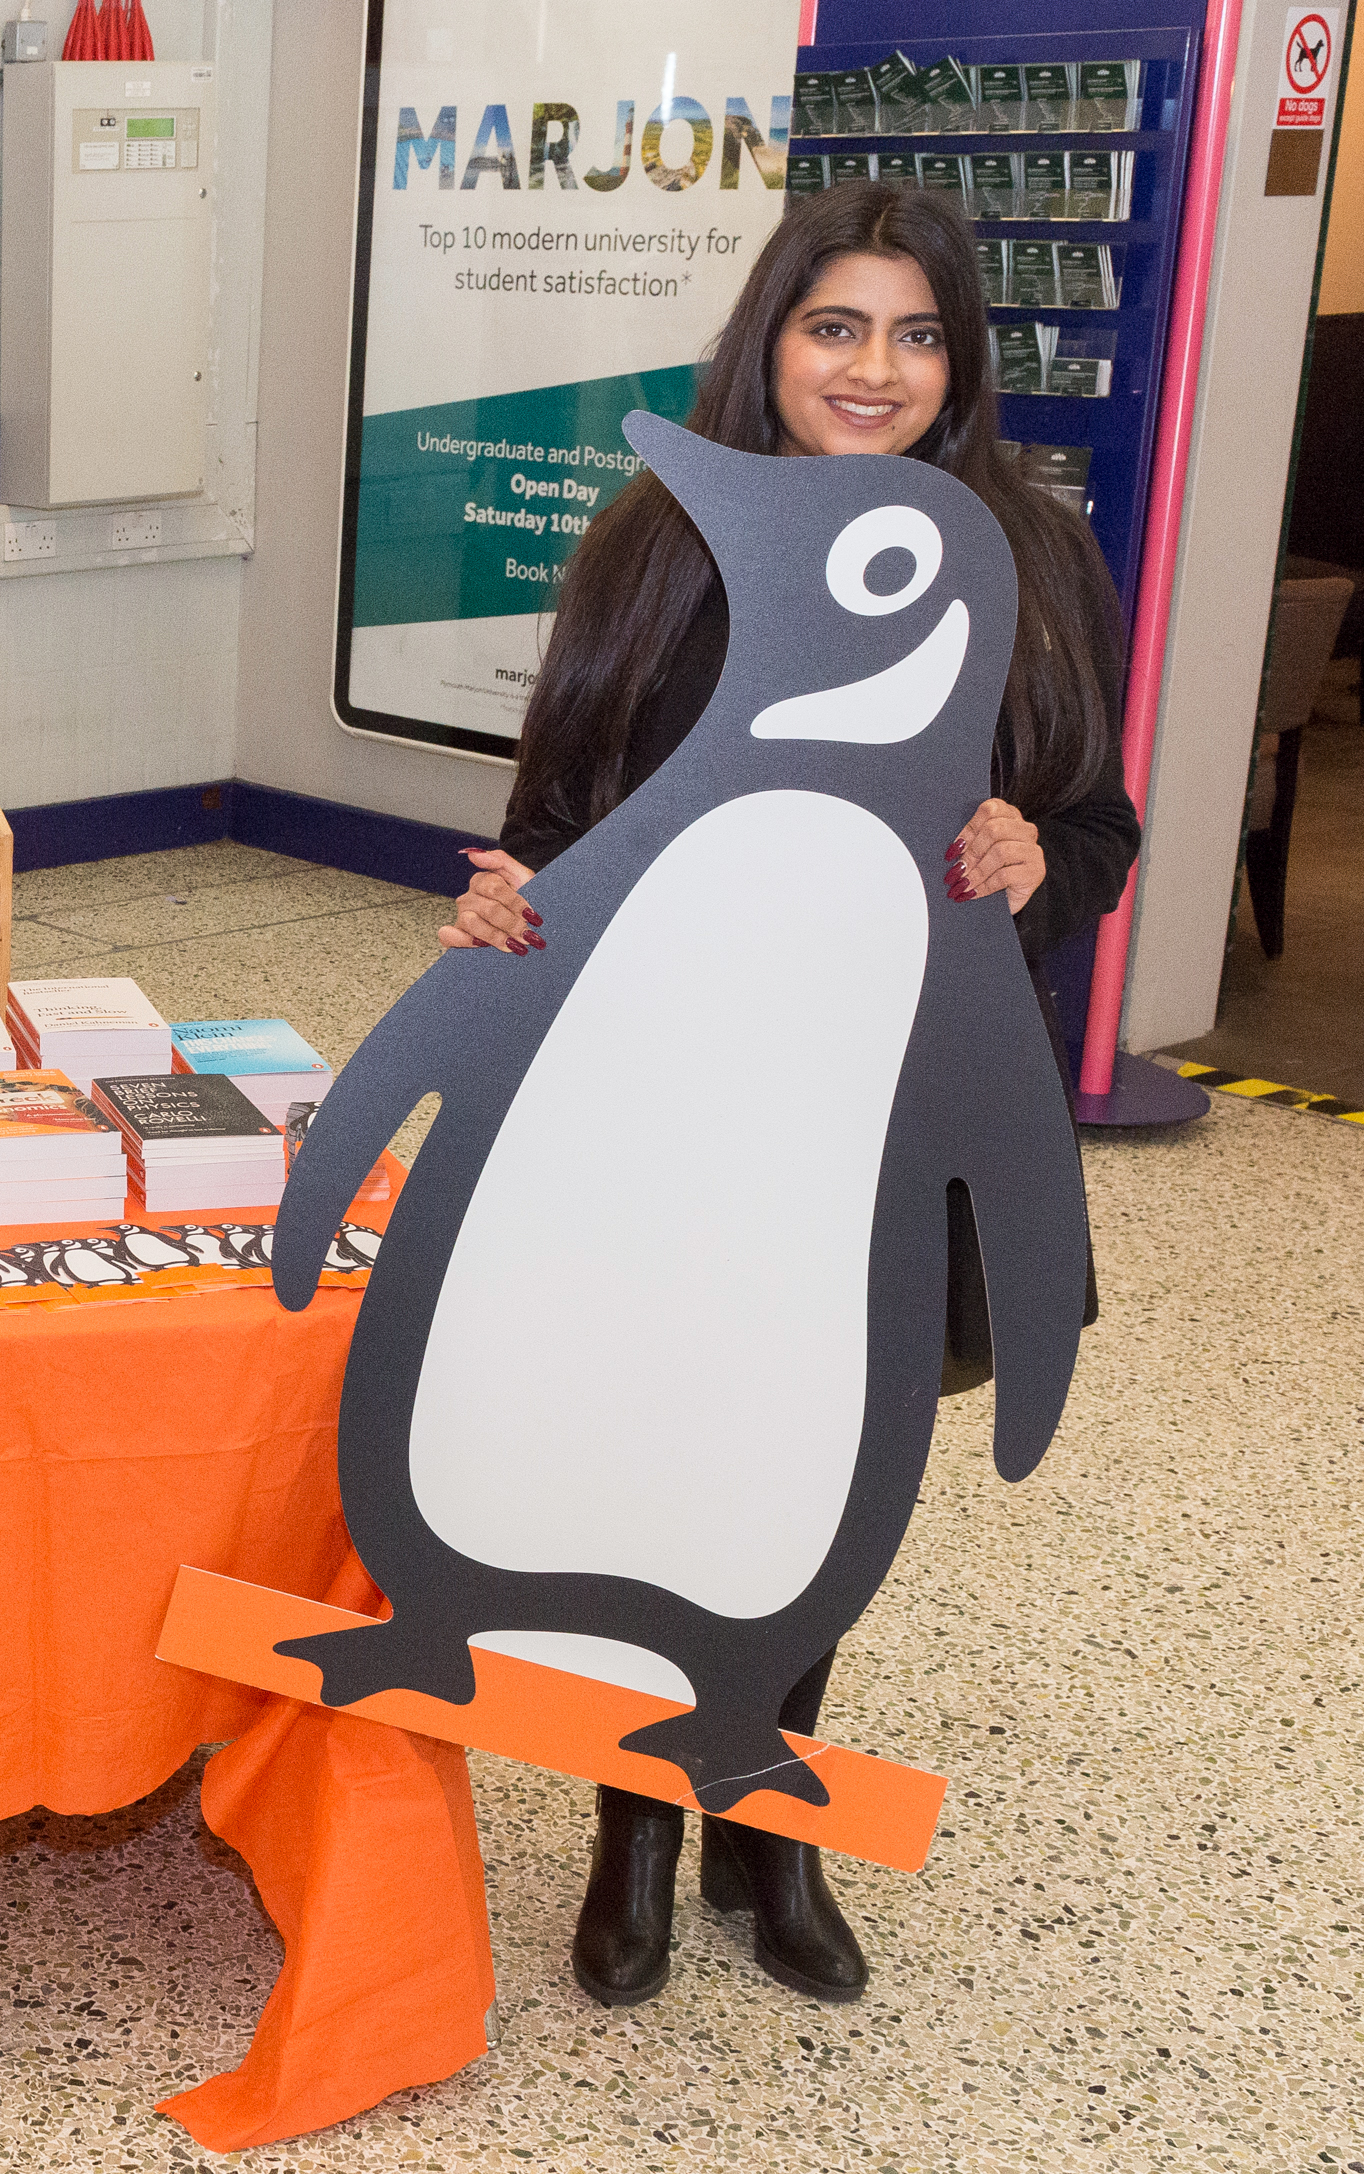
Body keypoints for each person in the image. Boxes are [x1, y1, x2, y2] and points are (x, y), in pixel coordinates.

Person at [450, 178, 1139, 2011]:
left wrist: (1025, 856)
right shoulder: (658, 540)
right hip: (671, 1098)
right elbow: (556, 819)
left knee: (828, 1467)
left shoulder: (1029, 554)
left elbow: (1096, 824)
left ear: (959, 363)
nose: (874, 367)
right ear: (768, 339)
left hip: (890, 1109)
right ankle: (636, 1825)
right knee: (673, 1465)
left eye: (916, 334)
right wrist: (509, 898)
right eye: (835, 324)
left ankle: (766, 1816)